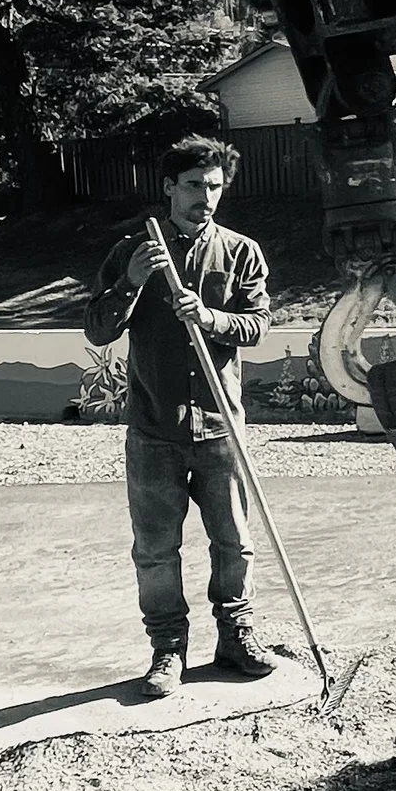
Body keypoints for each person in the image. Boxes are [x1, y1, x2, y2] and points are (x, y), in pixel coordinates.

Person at [84, 134, 274, 698]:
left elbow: (258, 326)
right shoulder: (130, 252)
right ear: (169, 187)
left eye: (215, 187)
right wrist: (132, 285)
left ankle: (235, 635)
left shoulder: (242, 252)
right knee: (156, 549)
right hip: (154, 429)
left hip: (220, 425)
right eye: (194, 185)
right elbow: (97, 329)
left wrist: (211, 318)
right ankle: (168, 650)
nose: (206, 197)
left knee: (234, 542)